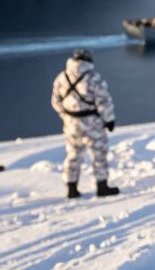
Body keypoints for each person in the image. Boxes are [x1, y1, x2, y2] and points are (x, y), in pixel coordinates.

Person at [50, 47, 120, 199]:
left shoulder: (62, 77)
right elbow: (104, 101)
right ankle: (102, 187)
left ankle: (71, 188)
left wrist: (66, 115)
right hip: (92, 123)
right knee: (99, 154)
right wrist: (109, 119)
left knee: (73, 155)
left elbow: (55, 101)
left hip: (71, 124)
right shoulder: (94, 77)